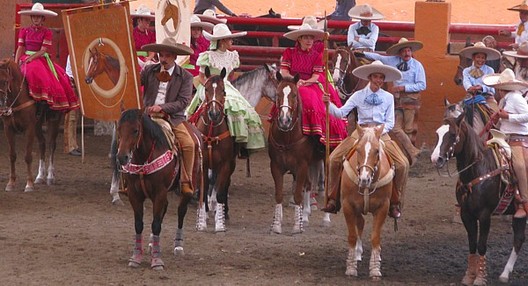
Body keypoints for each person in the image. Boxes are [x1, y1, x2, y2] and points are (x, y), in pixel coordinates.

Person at [321, 60, 409, 219]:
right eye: (376, 77)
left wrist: (378, 131)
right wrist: (328, 105)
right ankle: (333, 198)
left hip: (381, 133)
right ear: (369, 77)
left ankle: (395, 202)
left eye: (381, 77)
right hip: (360, 133)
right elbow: (341, 113)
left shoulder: (388, 97)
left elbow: (390, 121)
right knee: (333, 159)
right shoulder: (358, 95)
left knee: (403, 164)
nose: (379, 80)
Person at [186, 24, 266, 154]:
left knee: (242, 107)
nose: (231, 41)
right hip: (208, 86)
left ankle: (238, 140)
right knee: (198, 108)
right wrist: (210, 86)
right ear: (222, 41)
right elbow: (201, 77)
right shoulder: (207, 55)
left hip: (225, 86)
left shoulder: (232, 56)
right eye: (229, 39)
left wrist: (224, 86)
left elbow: (230, 76)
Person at [140, 38, 197, 197]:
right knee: (124, 137)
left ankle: (186, 181)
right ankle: (125, 177)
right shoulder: (149, 71)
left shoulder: (186, 76)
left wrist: (162, 107)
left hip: (172, 118)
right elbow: (135, 81)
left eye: (166, 56)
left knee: (188, 144)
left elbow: (183, 101)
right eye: (161, 55)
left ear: (174, 57)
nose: (163, 59)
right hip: (147, 116)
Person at [279, 23, 348, 148]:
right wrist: (294, 81)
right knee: (281, 97)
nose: (309, 40)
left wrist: (305, 82)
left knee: (309, 98)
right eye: (306, 38)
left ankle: (315, 134)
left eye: (311, 38)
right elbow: (284, 71)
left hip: (310, 83)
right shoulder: (289, 52)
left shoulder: (317, 56)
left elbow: (316, 76)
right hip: (291, 82)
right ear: (299, 39)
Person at [362, 38, 426, 154]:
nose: (406, 53)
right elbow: (379, 57)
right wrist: (362, 53)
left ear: (411, 52)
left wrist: (404, 87)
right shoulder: (393, 61)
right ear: (399, 53)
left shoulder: (417, 66)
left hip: (410, 100)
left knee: (409, 129)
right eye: (404, 51)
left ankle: (408, 156)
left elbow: (422, 85)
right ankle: (412, 151)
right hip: (397, 99)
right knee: (395, 128)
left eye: (408, 51)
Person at [14, 3, 79, 112]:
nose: (36, 19)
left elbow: (43, 50)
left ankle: (40, 100)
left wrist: (31, 58)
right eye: (34, 16)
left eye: (38, 17)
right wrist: (16, 63)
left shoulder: (46, 32)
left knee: (33, 70)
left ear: (42, 18)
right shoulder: (24, 31)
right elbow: (20, 48)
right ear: (31, 17)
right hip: (26, 57)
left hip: (39, 58)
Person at [483, 68, 528, 218]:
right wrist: (498, 121)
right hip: (503, 136)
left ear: (501, 88)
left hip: (518, 138)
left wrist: (508, 116)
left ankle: (523, 201)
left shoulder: (516, 98)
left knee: (519, 166)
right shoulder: (503, 100)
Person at [459, 41, 501, 112]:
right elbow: (466, 82)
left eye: (483, 58)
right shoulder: (466, 71)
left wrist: (482, 88)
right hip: (471, 97)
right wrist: (470, 88)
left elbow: (491, 87)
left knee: (495, 114)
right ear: (473, 57)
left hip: (487, 98)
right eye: (478, 57)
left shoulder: (490, 70)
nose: (480, 60)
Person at [64, 56, 81, 157]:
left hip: (77, 85)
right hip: (72, 84)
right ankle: (70, 145)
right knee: (71, 116)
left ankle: (74, 144)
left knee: (75, 117)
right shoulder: (73, 56)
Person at [131, 4, 157, 70]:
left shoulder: (151, 34)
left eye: (149, 20)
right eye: (146, 20)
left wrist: (149, 58)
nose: (148, 22)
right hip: (134, 60)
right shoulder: (131, 33)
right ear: (139, 21)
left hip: (147, 60)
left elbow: (152, 50)